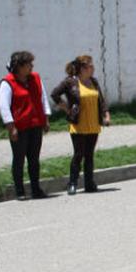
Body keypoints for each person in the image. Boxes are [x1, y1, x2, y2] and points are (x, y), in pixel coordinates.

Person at [51, 54, 110, 195]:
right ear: (82, 68)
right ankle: (72, 183)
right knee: (79, 154)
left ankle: (89, 183)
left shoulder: (94, 82)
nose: (92, 68)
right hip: (79, 124)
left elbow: (101, 101)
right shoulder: (71, 82)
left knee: (89, 155)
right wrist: (66, 108)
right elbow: (55, 94)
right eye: (90, 66)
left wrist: (106, 115)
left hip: (93, 124)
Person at [0, 51, 51, 199]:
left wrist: (45, 119)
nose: (31, 67)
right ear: (20, 66)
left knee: (34, 159)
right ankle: (20, 191)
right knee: (19, 158)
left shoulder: (35, 79)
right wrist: (11, 127)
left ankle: (36, 189)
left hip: (35, 124)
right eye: (29, 64)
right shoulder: (7, 82)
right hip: (19, 127)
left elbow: (43, 98)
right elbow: (4, 106)